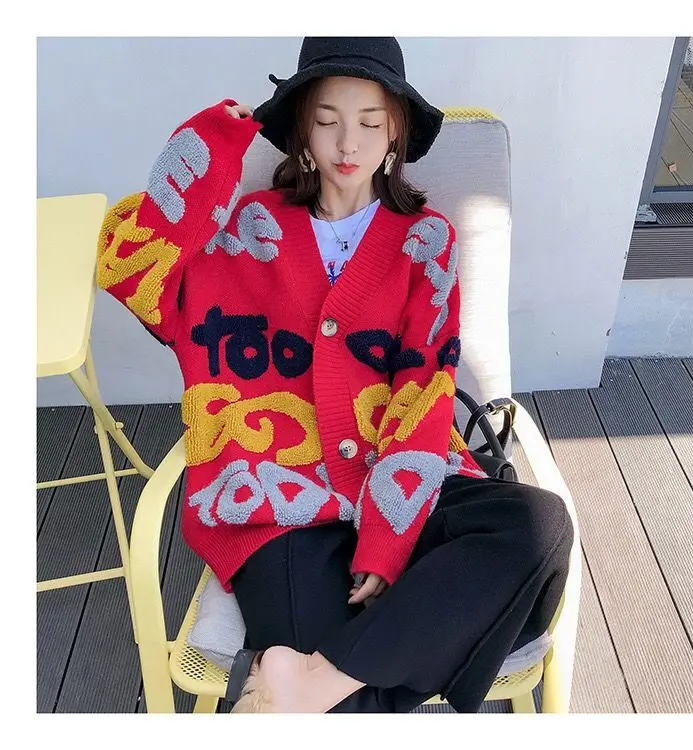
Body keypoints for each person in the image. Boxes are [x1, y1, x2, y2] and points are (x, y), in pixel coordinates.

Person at [96, 36, 574, 713]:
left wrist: (387, 542)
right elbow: (134, 271)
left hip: (404, 486)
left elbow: (424, 388)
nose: (348, 144)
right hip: (278, 505)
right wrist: (215, 141)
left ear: (396, 131)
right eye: (327, 121)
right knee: (355, 679)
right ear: (301, 128)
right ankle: (356, 671)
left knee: (537, 525)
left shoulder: (426, 241)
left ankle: (310, 683)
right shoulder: (244, 232)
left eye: (370, 123)